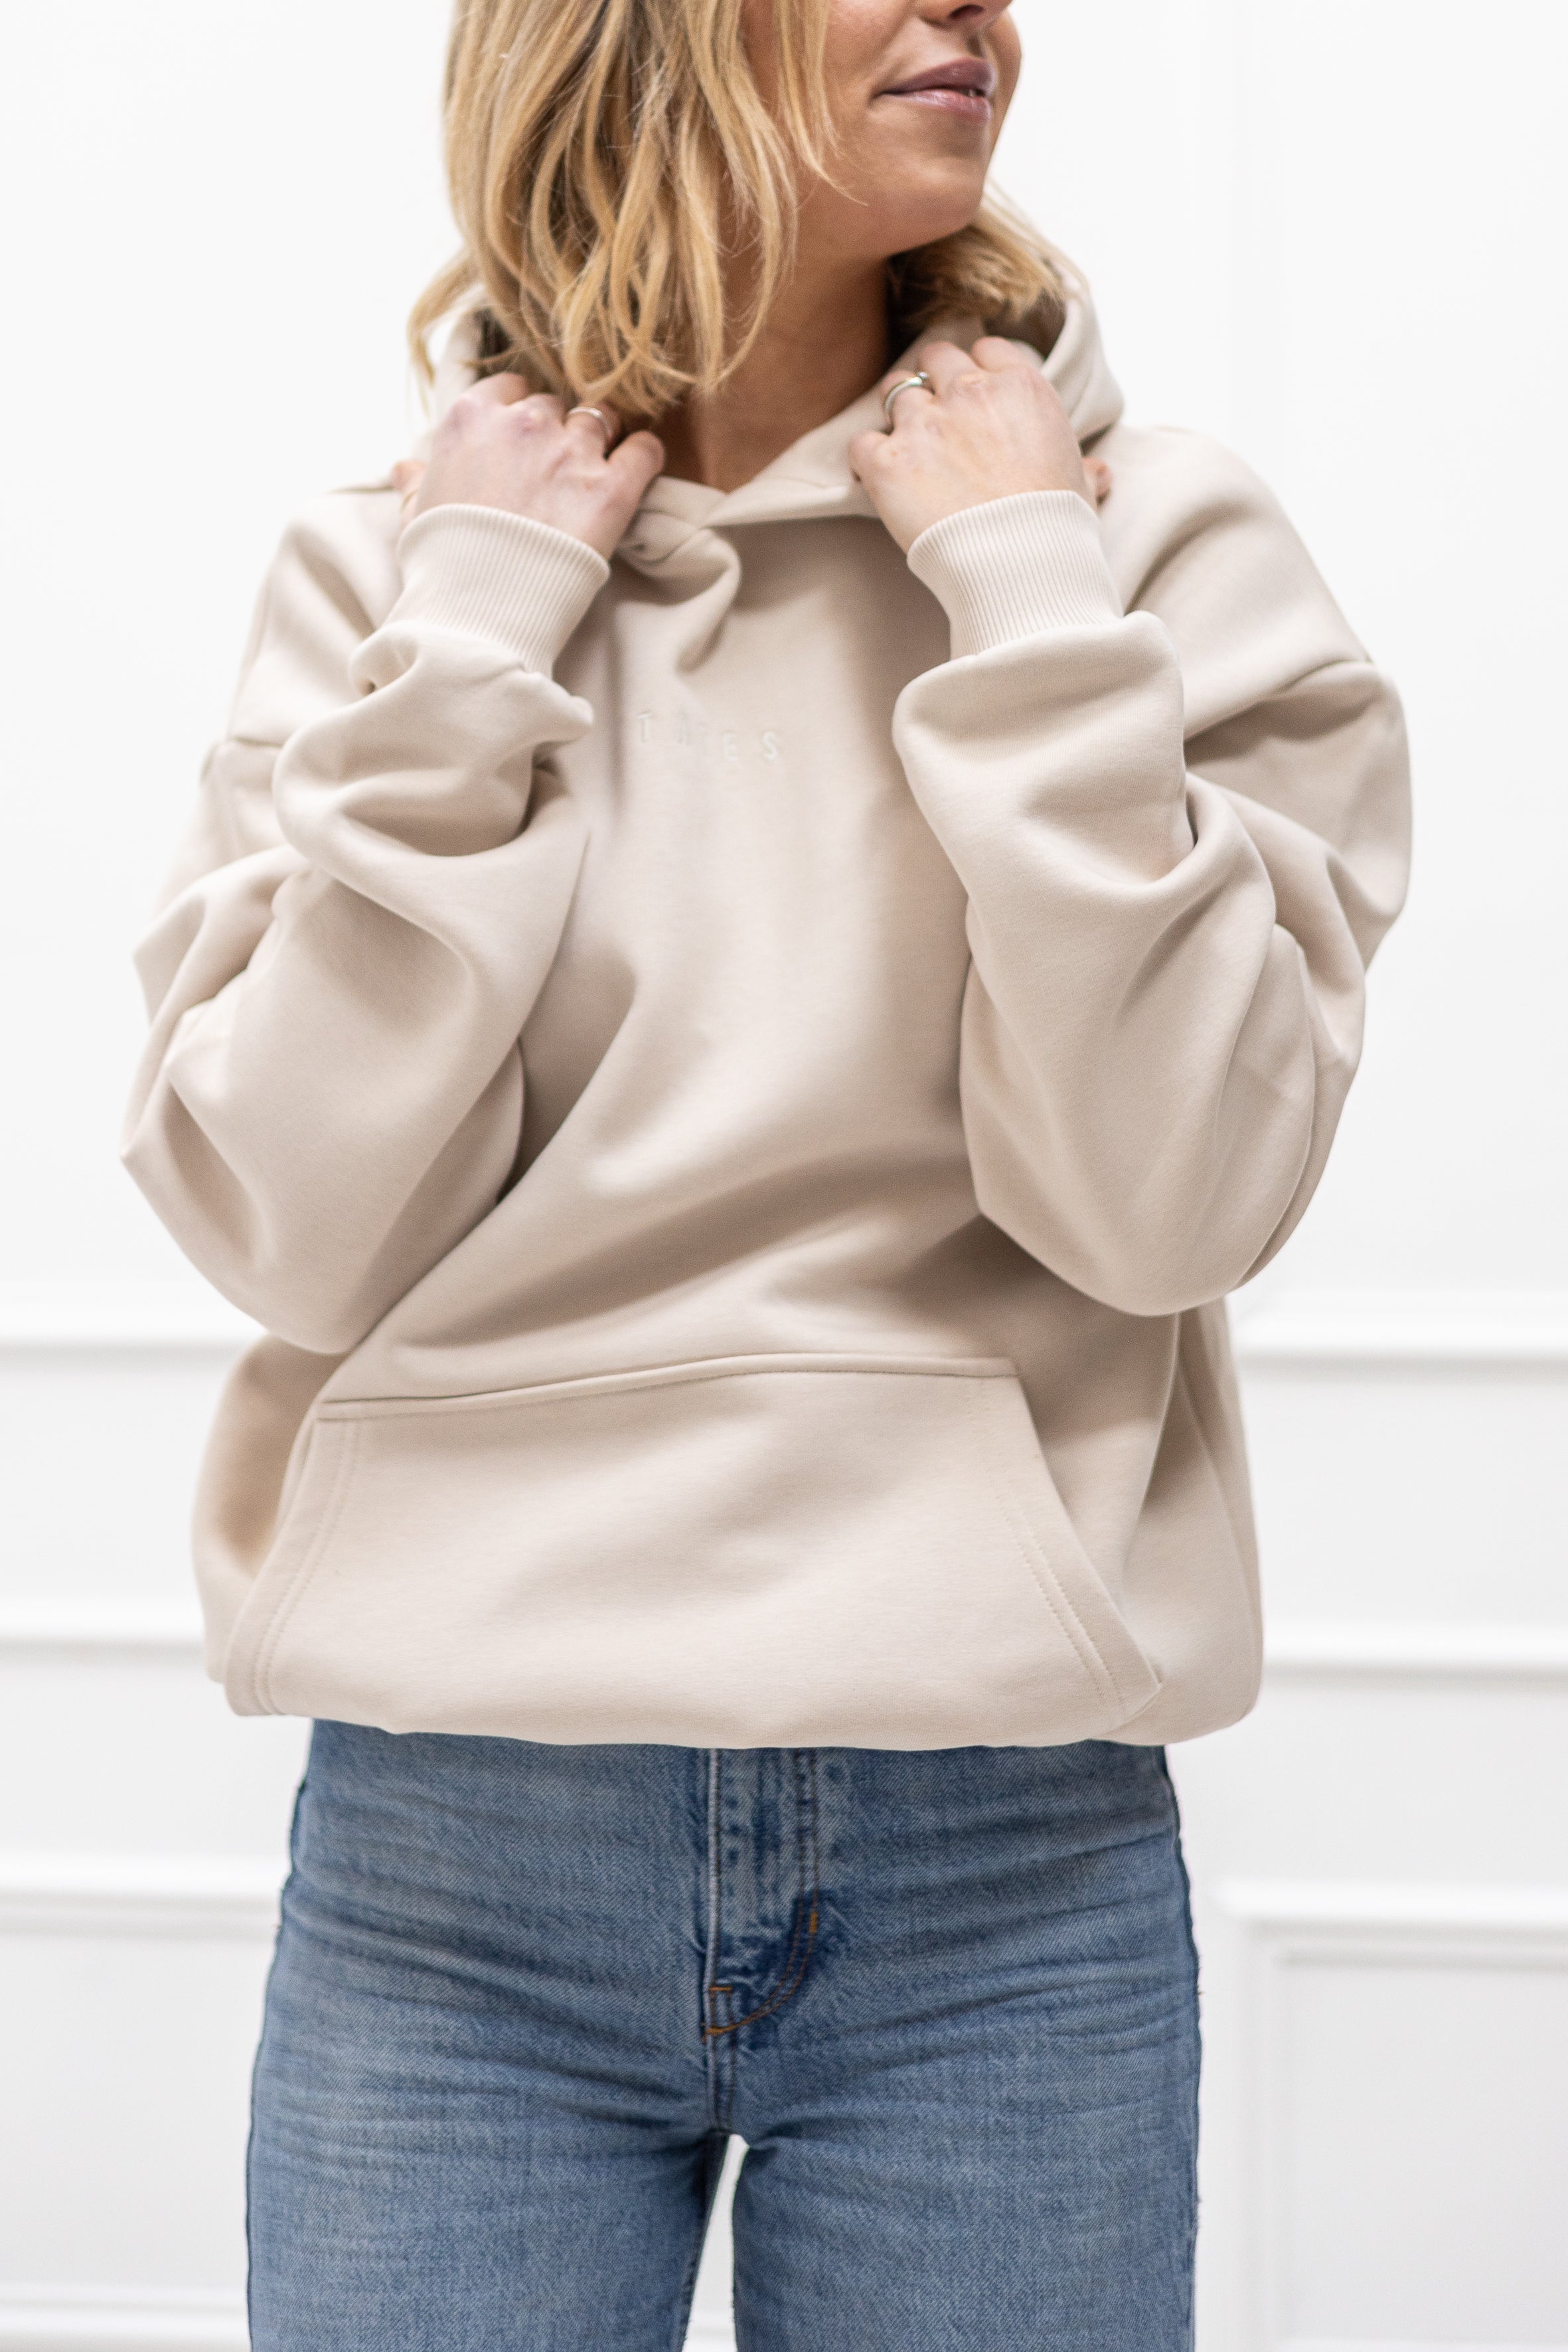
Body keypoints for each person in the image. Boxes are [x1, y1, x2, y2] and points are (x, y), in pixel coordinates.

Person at [122, 0, 1409, 2342]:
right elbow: (286, 1225)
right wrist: (473, 640)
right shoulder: (390, 575)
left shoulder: (1149, 543)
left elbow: (1171, 1205)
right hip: (457, 1860)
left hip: (999, 1868)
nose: (977, 7)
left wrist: (1023, 597)